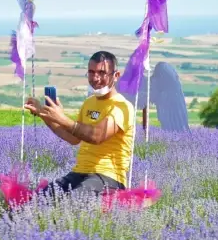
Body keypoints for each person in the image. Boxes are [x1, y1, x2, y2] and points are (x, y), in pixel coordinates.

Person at [24, 50, 135, 199]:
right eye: (91, 72)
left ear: (116, 76)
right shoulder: (89, 103)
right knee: (36, 200)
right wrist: (45, 115)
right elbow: (73, 137)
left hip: (109, 177)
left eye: (102, 73)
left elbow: (97, 136)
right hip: (79, 173)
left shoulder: (122, 107)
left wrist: (62, 118)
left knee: (72, 203)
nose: (95, 78)